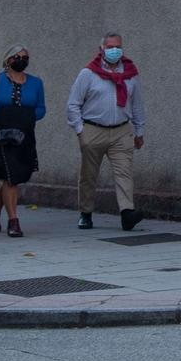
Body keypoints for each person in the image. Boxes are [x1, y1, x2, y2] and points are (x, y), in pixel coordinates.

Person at [67, 32, 144, 231]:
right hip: (93, 129)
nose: (114, 50)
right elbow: (73, 104)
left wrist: (139, 131)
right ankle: (85, 213)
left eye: (118, 46)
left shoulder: (130, 74)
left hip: (121, 130)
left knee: (124, 173)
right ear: (101, 50)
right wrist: (80, 130)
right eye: (110, 47)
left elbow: (137, 105)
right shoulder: (88, 73)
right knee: (89, 175)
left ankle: (127, 213)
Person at [0, 46, 45, 237]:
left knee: (14, 176)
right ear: (8, 60)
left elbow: (41, 109)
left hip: (24, 135)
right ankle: (13, 221)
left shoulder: (36, 83)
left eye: (25, 57)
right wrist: (6, 115)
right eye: (17, 57)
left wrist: (26, 117)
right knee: (10, 177)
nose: (22, 60)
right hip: (1, 134)